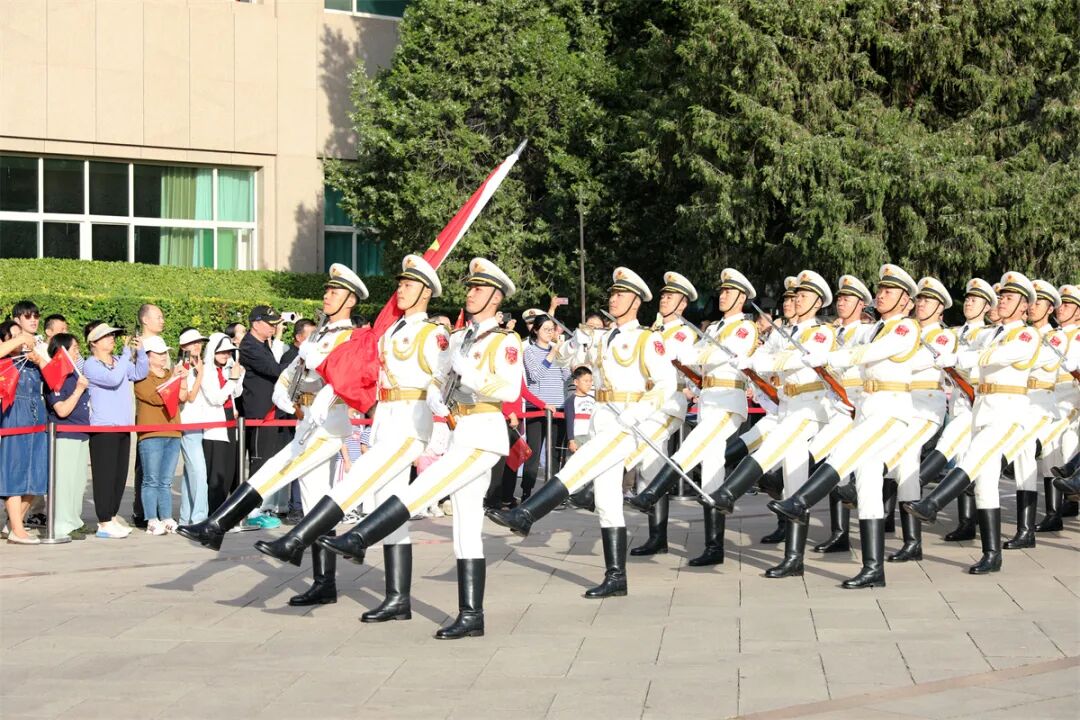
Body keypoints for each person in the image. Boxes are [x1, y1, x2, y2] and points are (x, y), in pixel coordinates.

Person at [319, 257, 523, 639]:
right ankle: (471, 614)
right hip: (462, 431)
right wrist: (436, 395)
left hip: (485, 434)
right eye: (470, 287)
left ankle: (360, 536)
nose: (470, 292)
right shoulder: (460, 338)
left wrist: (470, 374)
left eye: (478, 288)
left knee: (421, 490)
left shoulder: (505, 340)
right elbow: (439, 380)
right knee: (466, 527)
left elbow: (509, 390)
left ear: (495, 297)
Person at [258, 255, 449, 622]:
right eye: (400, 283)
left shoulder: (432, 334)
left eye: (408, 285)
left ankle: (298, 541)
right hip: (385, 421)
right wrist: (329, 387)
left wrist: (438, 405)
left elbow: (441, 376)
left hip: (410, 423)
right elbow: (361, 374)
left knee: (360, 482)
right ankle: (397, 598)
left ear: (425, 291)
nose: (400, 289)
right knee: (388, 506)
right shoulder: (390, 332)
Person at [178, 265, 366, 610]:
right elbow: (291, 372)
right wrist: (284, 391)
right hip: (307, 418)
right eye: (326, 290)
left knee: (279, 467)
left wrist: (318, 361)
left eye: (335, 292)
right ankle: (324, 582)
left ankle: (217, 525)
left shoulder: (350, 338)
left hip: (328, 423)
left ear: (351, 300)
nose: (327, 296)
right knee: (314, 505)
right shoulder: (320, 334)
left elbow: (346, 378)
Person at [487, 267, 675, 599]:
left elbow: (666, 384)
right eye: (612, 293)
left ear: (635, 301)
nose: (612, 298)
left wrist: (639, 413)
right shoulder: (603, 337)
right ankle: (616, 577)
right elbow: (570, 360)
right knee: (606, 501)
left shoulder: (647, 339)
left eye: (620, 294)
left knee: (580, 464)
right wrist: (569, 345)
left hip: (627, 420)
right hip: (601, 417)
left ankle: (527, 514)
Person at [766, 265, 920, 587]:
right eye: (879, 290)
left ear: (905, 299)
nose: (880, 295)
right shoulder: (872, 328)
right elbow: (842, 340)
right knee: (867, 488)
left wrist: (828, 359)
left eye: (888, 292)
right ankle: (873, 569)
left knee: (846, 451)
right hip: (867, 409)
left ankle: (800, 501)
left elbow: (870, 353)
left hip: (890, 410)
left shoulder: (905, 329)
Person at [705, 270, 842, 579]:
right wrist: (753, 364)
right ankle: (794, 559)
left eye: (803, 296)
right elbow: (765, 358)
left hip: (810, 407)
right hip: (787, 405)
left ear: (818, 302)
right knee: (794, 483)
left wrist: (758, 363)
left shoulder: (821, 333)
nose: (795, 300)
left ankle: (729, 492)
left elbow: (792, 361)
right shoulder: (784, 333)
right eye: (794, 296)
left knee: (774, 445)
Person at [905, 272, 1040, 575]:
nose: (1002, 301)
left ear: (1023, 306)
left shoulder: (1026, 335)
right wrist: (949, 358)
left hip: (1009, 411)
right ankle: (991, 554)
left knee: (974, 457)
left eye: (1009, 297)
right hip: (983, 408)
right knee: (986, 484)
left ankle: (934, 503)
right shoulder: (991, 333)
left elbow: (999, 356)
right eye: (1002, 296)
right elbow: (972, 352)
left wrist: (958, 358)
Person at [627, 269, 758, 565]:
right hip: (709, 402)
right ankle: (714, 547)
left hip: (727, 402)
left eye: (728, 292)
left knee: (690, 449)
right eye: (722, 291)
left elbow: (713, 356)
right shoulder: (712, 330)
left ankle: (651, 494)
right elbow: (698, 358)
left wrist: (686, 356)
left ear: (741, 297)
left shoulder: (743, 329)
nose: (722, 295)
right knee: (712, 475)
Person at [621, 270, 700, 557]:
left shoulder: (683, 332)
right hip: (648, 401)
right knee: (649, 469)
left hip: (669, 401)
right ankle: (658, 536)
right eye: (664, 295)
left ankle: (657, 534)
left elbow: (670, 360)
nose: (665, 299)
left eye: (671, 297)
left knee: (642, 452)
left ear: (682, 305)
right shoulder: (653, 332)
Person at [916, 279, 998, 541]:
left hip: (978, 402)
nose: (970, 302)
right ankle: (966, 523)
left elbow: (981, 364)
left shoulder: (989, 334)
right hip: (959, 401)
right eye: (969, 298)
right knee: (964, 461)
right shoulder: (953, 333)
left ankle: (918, 486)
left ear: (987, 306)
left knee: (950, 444)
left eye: (976, 299)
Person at [997, 280, 1066, 549]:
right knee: (1026, 462)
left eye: (1039, 303)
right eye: (1032, 302)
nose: (1034, 307)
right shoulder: (1019, 333)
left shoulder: (1055, 337)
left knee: (1033, 457)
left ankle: (1034, 525)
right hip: (1021, 402)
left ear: (1049, 308)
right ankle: (1025, 530)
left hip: (1042, 403)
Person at [83, 323, 149, 539]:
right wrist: (126, 353)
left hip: (123, 425)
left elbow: (140, 372)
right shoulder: (91, 365)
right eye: (106, 336)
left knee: (119, 475)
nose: (112, 338)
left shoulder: (118, 362)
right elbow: (112, 380)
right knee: (105, 475)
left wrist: (140, 353)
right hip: (103, 427)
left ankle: (111, 516)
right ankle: (103, 520)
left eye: (112, 335)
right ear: (94, 343)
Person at [235, 305, 292, 530]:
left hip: (270, 412)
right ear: (256, 323)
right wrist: (297, 361)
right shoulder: (249, 345)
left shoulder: (262, 343)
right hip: (259, 414)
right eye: (270, 324)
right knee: (258, 462)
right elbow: (274, 370)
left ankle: (258, 508)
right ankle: (250, 511)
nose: (273, 328)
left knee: (267, 461)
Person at [0, 320, 50, 544]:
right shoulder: (5, 362)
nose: (20, 340)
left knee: (37, 475)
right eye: (13, 336)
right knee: (15, 473)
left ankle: (14, 524)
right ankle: (18, 530)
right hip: (14, 420)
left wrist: (40, 360)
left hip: (37, 420)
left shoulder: (30, 362)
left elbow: (57, 379)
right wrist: (20, 339)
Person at [134, 337, 189, 535]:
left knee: (165, 480)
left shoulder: (170, 374)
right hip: (151, 433)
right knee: (151, 479)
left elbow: (183, 397)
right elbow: (157, 397)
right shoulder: (141, 376)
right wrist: (175, 380)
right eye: (159, 353)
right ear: (147, 357)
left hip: (173, 431)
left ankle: (166, 517)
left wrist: (181, 379)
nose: (164, 357)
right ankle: (151, 519)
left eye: (165, 353)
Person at [43, 333, 92, 540]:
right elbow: (62, 410)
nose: (77, 352)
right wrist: (79, 390)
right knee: (64, 482)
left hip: (81, 433)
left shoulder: (74, 374)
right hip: (64, 434)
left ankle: (74, 520)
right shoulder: (55, 377)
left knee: (78, 482)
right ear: (62, 351)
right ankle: (61, 523)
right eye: (74, 349)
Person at [1040, 284, 1079, 529]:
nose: (1061, 308)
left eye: (1067, 305)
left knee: (1066, 449)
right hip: (1053, 397)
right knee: (1050, 455)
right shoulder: (1052, 335)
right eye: (1060, 304)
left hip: (1074, 398)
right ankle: (1054, 513)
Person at [520, 314, 570, 502]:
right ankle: (527, 491)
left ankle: (555, 493)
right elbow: (536, 375)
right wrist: (551, 354)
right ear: (536, 331)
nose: (550, 333)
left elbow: (566, 376)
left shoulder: (558, 351)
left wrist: (562, 354)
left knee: (556, 452)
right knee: (533, 451)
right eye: (546, 329)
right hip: (537, 407)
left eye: (552, 329)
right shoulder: (530, 352)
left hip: (557, 406)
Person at [131, 303, 166, 529]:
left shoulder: (161, 345)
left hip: (167, 416)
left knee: (161, 472)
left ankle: (161, 513)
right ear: (145, 320)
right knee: (145, 468)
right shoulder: (137, 347)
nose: (162, 321)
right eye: (158, 317)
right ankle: (142, 512)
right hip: (146, 414)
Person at [201, 334, 244, 513]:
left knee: (228, 473)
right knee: (215, 475)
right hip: (214, 429)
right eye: (222, 351)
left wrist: (238, 375)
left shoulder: (226, 369)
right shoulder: (206, 370)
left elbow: (237, 392)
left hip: (230, 424)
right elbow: (216, 398)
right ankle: (212, 513)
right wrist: (232, 379)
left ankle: (222, 513)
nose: (226, 355)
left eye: (228, 351)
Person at [279, 318, 316, 523]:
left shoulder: (313, 357)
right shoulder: (292, 358)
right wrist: (296, 410)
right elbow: (285, 390)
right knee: (297, 460)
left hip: (314, 418)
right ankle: (296, 507)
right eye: (310, 336)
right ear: (298, 338)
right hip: (297, 418)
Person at [176, 329, 210, 525]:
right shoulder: (182, 367)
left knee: (192, 472)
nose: (197, 345)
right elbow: (189, 396)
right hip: (188, 423)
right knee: (199, 472)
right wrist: (200, 374)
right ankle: (199, 518)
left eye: (200, 342)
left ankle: (186, 517)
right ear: (183, 347)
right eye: (193, 343)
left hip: (199, 424)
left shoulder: (198, 365)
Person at [564, 366, 595, 453]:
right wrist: (571, 440)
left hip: (591, 437)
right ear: (576, 382)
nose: (589, 384)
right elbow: (569, 421)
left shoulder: (593, 399)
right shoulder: (571, 400)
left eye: (590, 381)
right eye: (585, 381)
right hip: (577, 437)